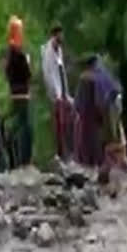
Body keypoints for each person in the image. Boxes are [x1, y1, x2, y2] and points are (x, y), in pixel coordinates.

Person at [95, 58, 127, 183]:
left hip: (113, 133)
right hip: (114, 130)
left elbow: (114, 120)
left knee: (117, 151)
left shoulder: (109, 93)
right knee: (118, 152)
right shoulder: (111, 83)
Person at [3, 16, 33, 168]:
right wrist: (28, 63)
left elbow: (7, 73)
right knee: (25, 126)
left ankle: (19, 156)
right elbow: (27, 74)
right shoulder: (18, 54)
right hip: (22, 92)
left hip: (15, 91)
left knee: (22, 123)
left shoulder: (9, 53)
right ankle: (24, 159)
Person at [42, 25, 74, 161]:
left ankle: (68, 152)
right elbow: (48, 74)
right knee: (60, 124)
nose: (62, 37)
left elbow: (62, 73)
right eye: (60, 35)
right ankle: (61, 154)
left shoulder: (59, 50)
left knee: (67, 122)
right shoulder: (47, 52)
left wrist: (66, 93)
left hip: (63, 92)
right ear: (55, 35)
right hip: (57, 95)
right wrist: (55, 94)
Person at [74, 54, 104, 167]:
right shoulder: (98, 78)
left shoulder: (83, 78)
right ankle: (96, 162)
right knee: (95, 139)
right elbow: (100, 98)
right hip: (94, 114)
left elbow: (78, 98)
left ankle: (85, 162)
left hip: (84, 114)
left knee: (84, 138)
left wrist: (77, 109)